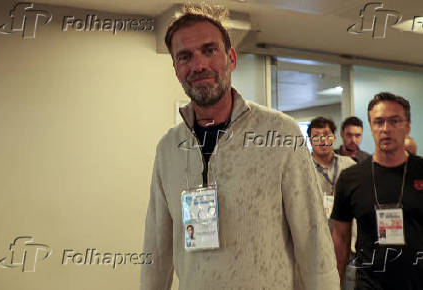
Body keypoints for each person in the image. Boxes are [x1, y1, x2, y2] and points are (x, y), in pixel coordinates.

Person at [140, 3, 340, 290]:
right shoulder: (169, 148)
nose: (199, 65)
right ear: (176, 69)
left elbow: (313, 238)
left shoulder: (279, 133)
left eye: (209, 50)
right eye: (185, 56)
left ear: (231, 58)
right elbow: (156, 247)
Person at [331, 92, 423, 290]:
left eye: (395, 121)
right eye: (379, 122)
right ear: (371, 127)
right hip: (370, 284)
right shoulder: (350, 178)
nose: (386, 129)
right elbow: (341, 237)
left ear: (407, 126)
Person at [308, 117, 355, 223]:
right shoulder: (303, 169)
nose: (322, 140)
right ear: (310, 141)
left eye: (326, 135)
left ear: (334, 138)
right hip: (315, 231)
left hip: (347, 232)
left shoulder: (350, 166)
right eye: (316, 136)